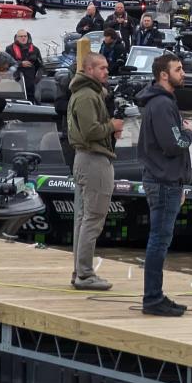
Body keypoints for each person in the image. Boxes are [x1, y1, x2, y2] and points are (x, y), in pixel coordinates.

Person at [135, 53, 192, 317]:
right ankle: (152, 298)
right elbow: (173, 145)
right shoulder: (161, 105)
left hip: (167, 180)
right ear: (163, 75)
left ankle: (156, 294)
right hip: (163, 181)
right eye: (178, 69)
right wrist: (188, 133)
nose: (183, 73)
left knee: (160, 240)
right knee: (159, 241)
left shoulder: (163, 102)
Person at [66, 52, 123, 291]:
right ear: (89, 70)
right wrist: (112, 125)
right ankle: (85, 274)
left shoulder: (87, 94)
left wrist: (109, 131)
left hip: (87, 158)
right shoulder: (87, 95)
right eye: (101, 68)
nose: (106, 72)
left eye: (107, 68)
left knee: (84, 218)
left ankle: (80, 271)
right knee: (93, 219)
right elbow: (90, 131)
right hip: (93, 160)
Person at [8, 29, 44, 99]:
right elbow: (7, 64)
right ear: (17, 37)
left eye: (25, 36)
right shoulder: (9, 49)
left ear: (28, 37)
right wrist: (20, 63)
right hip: (16, 79)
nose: (23, 38)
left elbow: (41, 66)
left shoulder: (35, 49)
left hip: (31, 80)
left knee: (33, 97)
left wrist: (38, 78)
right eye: (21, 36)